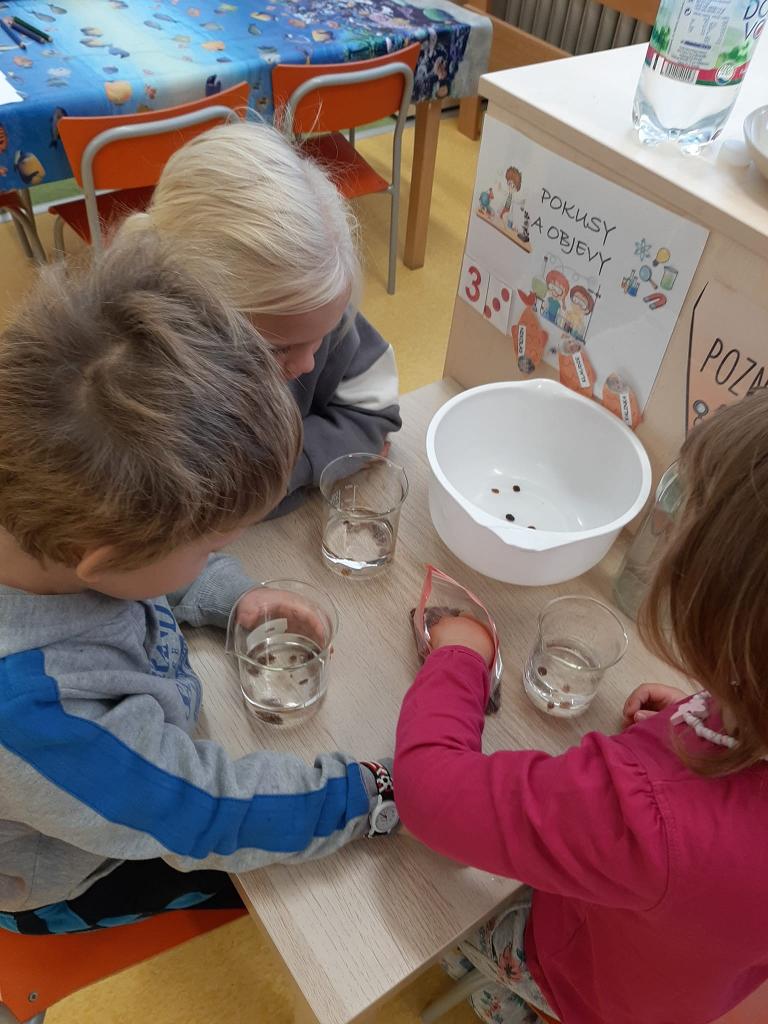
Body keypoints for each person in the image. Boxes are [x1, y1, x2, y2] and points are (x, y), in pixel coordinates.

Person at [0, 237, 398, 935]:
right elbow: (206, 815)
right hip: (72, 866)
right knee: (282, 905)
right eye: (213, 546)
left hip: (130, 762)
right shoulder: (36, 717)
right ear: (103, 561)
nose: (222, 553)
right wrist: (372, 793)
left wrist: (229, 594)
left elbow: (146, 571)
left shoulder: (46, 515)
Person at [394, 390, 768, 1024]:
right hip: (688, 984)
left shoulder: (647, 816)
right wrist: (718, 717)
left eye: (687, 513)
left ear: (717, 599)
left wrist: (460, 655)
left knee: (434, 909)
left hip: (581, 980)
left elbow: (427, 792)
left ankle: (503, 995)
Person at [117, 120, 401, 517]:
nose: (307, 363)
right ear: (188, 320)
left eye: (321, 335)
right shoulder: (132, 370)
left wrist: (293, 467)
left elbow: (375, 412)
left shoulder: (316, 311)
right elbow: (182, 502)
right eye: (278, 348)